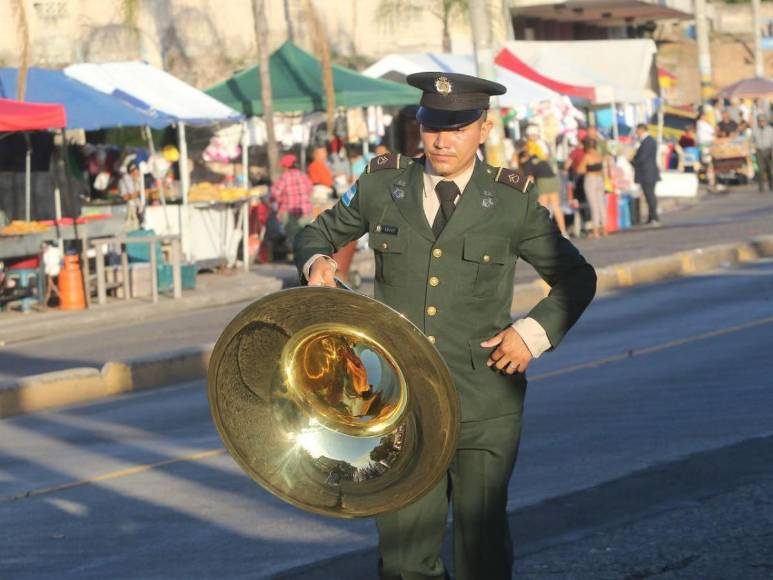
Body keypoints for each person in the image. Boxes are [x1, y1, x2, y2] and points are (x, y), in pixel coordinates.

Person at [294, 71, 596, 580]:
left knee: (482, 551)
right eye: (432, 125)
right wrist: (318, 262)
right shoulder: (381, 185)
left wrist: (531, 334)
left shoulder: (510, 202)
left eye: (457, 127)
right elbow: (315, 233)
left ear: (483, 128)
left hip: (485, 402)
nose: (441, 140)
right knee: (404, 556)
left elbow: (576, 277)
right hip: (400, 404)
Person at [271, 153, 313, 260]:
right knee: (305, 235)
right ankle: (307, 255)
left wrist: (277, 199)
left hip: (289, 212)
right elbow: (310, 190)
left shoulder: (284, 177)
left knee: (293, 236)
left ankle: (296, 257)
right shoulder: (303, 175)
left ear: (285, 166)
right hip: (306, 211)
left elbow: (275, 193)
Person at [518, 150, 567, 236]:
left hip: (543, 182)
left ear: (522, 158)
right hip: (553, 180)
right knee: (556, 207)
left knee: (543, 207)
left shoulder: (527, 163)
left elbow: (530, 179)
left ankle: (544, 232)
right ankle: (563, 232)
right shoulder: (537, 158)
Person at [632, 123, 661, 226]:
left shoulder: (647, 141)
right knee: (649, 196)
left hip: (647, 173)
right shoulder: (648, 141)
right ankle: (651, 217)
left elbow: (642, 158)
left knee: (650, 196)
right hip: (649, 172)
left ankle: (654, 217)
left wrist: (632, 161)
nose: (636, 133)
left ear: (641, 130)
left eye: (637, 130)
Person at [577, 138, 607, 238]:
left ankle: (595, 231)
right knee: (601, 205)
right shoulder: (599, 155)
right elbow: (602, 169)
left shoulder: (587, 156)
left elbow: (580, 170)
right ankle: (604, 229)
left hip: (590, 180)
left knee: (594, 206)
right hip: (600, 180)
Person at [118, 161, 145, 229]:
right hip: (128, 208)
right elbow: (125, 197)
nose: (137, 173)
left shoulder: (138, 180)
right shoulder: (124, 180)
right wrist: (139, 193)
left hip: (137, 208)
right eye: (135, 171)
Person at [752, 114, 773, 193]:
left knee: (770, 170)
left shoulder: (770, 130)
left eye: (763, 121)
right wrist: (753, 149)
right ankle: (761, 187)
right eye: (760, 121)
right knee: (760, 170)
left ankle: (771, 185)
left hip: (768, 150)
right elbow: (752, 141)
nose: (761, 122)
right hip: (759, 151)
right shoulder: (755, 130)